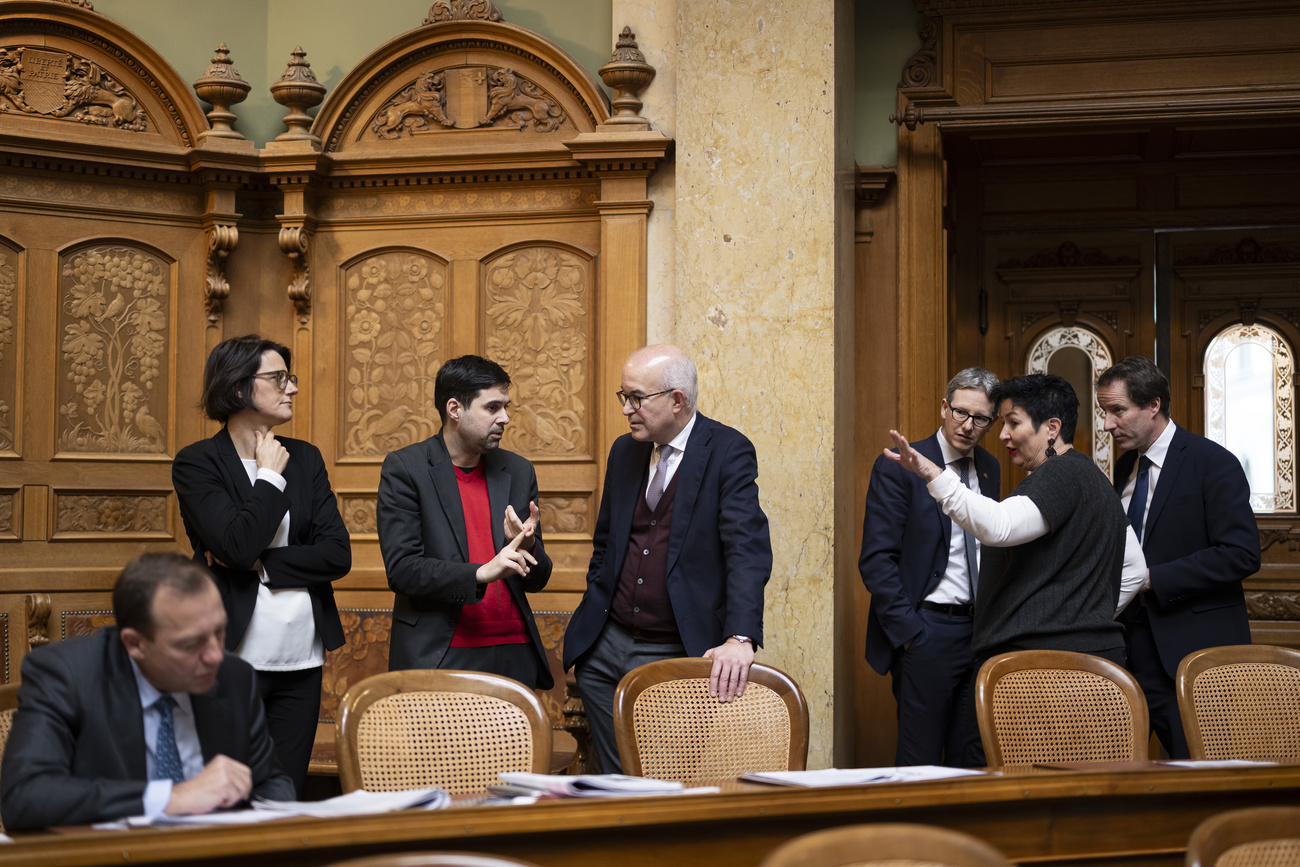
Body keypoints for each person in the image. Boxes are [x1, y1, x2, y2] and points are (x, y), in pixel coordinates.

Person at [886, 373, 1144, 765]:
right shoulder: (1091, 477)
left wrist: (933, 475)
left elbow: (998, 526)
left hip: (1037, 679)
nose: (1002, 435)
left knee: (1007, 795)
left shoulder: (1060, 473)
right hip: (1095, 670)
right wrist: (1087, 617)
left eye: (1014, 422)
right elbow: (1135, 569)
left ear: (1052, 429)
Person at [562, 344, 773, 774]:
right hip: (604, 650)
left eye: (637, 398)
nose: (627, 409)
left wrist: (740, 637)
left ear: (677, 400)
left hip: (674, 650)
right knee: (613, 774)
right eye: (624, 396)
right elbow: (606, 541)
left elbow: (746, 549)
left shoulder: (728, 451)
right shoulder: (625, 451)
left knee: (663, 775)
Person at [172, 335, 351, 796]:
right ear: (237, 390)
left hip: (302, 658)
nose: (291, 388)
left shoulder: (306, 457)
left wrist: (262, 565)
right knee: (229, 795)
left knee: (283, 792)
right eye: (278, 378)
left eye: (290, 378)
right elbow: (235, 546)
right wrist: (269, 477)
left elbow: (337, 553)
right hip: (230, 659)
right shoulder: (197, 463)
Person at [0, 553, 294, 831]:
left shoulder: (234, 676)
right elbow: (24, 796)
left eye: (219, 632)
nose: (215, 655)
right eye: (191, 644)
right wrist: (171, 798)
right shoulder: (68, 675)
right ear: (135, 644)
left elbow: (270, 781)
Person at [1096, 355, 1260, 758]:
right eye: (1104, 412)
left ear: (1153, 405)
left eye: (1118, 411)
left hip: (1193, 655)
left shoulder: (1213, 463)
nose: (1107, 424)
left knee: (1204, 777)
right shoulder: (1124, 467)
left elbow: (1241, 554)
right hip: (1126, 652)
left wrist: (1152, 578)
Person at [377, 355, 553, 690]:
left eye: (506, 406)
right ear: (454, 409)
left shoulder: (518, 471)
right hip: (442, 652)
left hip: (515, 650)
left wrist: (529, 547)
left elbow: (537, 579)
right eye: (492, 408)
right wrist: (479, 573)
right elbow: (402, 569)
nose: (505, 418)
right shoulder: (406, 468)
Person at [859, 367, 1001, 767]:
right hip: (927, 632)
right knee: (919, 762)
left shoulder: (990, 468)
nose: (968, 426)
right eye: (960, 412)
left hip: (979, 635)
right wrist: (910, 634)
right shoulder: (900, 465)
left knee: (971, 758)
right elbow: (876, 560)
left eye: (981, 419)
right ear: (944, 407)